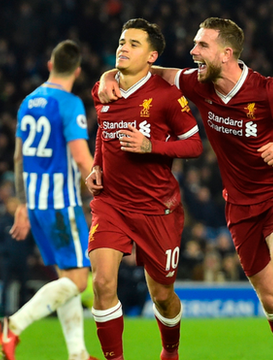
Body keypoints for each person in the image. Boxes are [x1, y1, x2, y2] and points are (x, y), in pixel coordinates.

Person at [99, 17, 273, 360]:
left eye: (202, 46)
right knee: (271, 301)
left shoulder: (269, 91)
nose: (193, 51)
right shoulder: (199, 83)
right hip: (239, 205)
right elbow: (152, 71)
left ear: (226, 53)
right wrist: (109, 75)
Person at [84, 19, 203, 360]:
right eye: (123, 41)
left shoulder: (167, 97)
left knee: (163, 295)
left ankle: (170, 350)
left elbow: (194, 146)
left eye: (134, 44)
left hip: (157, 208)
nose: (124, 47)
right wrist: (96, 164)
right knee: (103, 284)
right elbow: (104, 131)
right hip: (111, 204)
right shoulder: (104, 89)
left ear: (152, 56)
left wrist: (152, 146)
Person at [0, 40, 99, 360]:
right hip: (61, 204)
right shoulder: (69, 104)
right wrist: (104, 185)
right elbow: (82, 158)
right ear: (77, 71)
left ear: (51, 65)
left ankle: (78, 354)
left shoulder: (28, 102)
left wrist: (22, 203)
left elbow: (18, 157)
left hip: (37, 205)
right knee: (80, 282)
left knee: (67, 279)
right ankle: (13, 325)